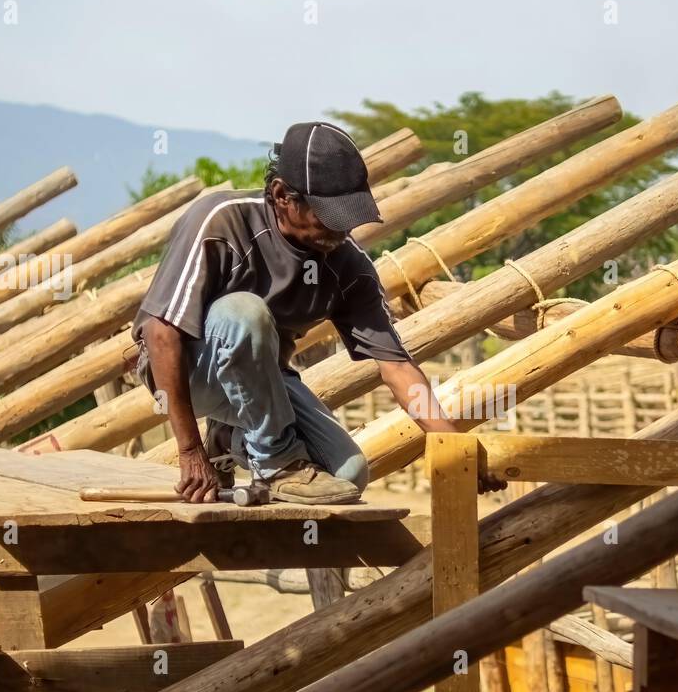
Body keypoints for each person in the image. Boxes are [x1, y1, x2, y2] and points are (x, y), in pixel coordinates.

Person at [132, 120, 502, 503]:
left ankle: (229, 440)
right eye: (328, 215)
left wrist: (453, 443)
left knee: (347, 476)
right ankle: (276, 462)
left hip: (263, 380)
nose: (341, 229)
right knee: (243, 311)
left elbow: (397, 367)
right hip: (187, 374)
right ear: (281, 196)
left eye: (348, 215)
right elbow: (161, 334)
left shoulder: (347, 264)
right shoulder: (222, 221)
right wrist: (190, 453)